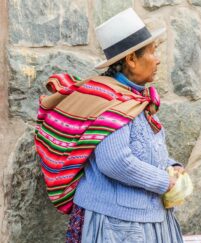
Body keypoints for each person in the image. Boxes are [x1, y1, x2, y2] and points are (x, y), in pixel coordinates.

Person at [63, 8, 185, 242]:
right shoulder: (111, 102)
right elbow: (115, 161)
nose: (158, 59)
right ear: (131, 59)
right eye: (152, 51)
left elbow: (143, 150)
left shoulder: (135, 99)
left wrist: (172, 166)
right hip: (118, 225)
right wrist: (163, 181)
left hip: (141, 218)